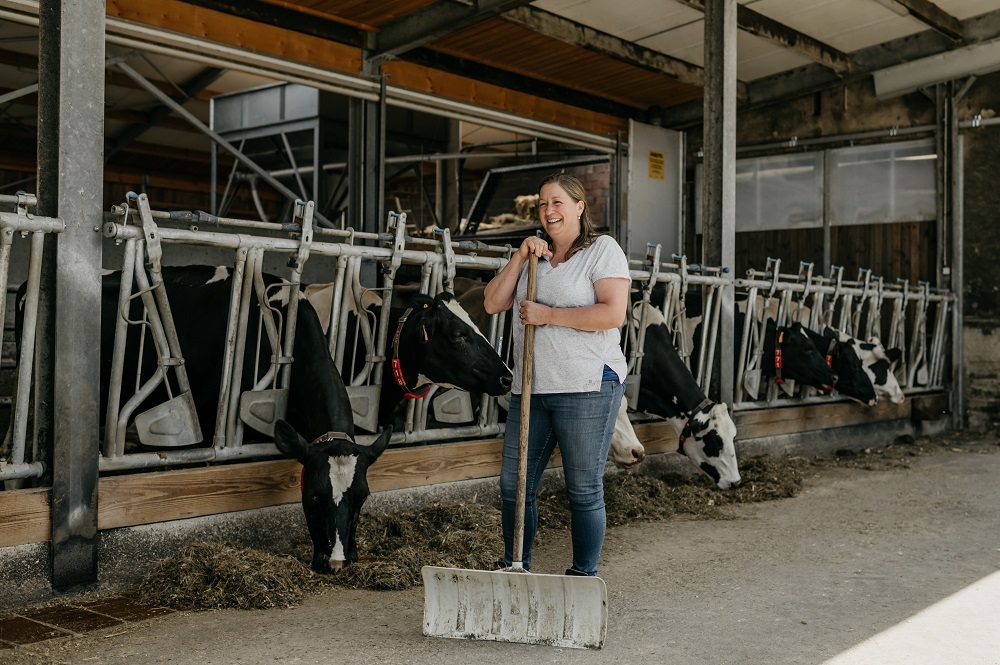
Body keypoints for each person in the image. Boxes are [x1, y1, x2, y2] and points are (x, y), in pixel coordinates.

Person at [483, 173, 630, 577]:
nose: (548, 211)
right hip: (531, 387)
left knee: (582, 490)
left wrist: (549, 315)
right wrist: (519, 257)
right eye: (543, 204)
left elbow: (612, 313)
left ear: (580, 207)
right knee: (514, 487)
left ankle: (583, 576)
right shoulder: (535, 256)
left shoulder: (603, 250)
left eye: (558, 202)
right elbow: (493, 303)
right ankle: (517, 566)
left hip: (586, 385)